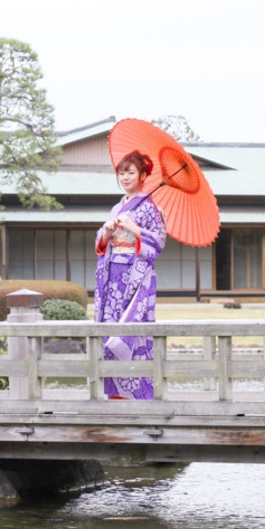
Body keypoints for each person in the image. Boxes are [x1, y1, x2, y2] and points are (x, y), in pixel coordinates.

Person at [93, 149, 166, 400]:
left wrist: (135, 229)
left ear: (143, 175)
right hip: (112, 276)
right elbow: (102, 244)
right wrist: (107, 229)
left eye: (131, 172)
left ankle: (137, 392)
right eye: (122, 173)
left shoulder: (150, 208)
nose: (125, 177)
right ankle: (115, 393)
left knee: (131, 331)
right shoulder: (117, 207)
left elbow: (157, 243)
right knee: (110, 329)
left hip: (134, 279)